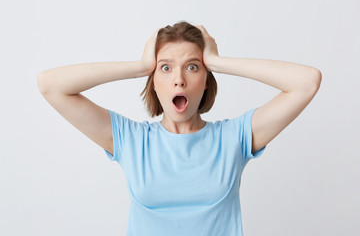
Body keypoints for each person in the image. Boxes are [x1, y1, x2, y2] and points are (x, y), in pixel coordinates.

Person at [37, 21, 322, 236]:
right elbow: (50, 85)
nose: (179, 80)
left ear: (207, 80)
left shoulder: (233, 138)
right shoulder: (131, 140)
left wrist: (218, 62)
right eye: (165, 68)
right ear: (152, 80)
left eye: (193, 67)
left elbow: (307, 81)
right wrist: (139, 66)